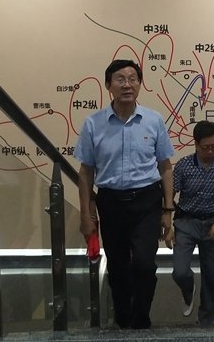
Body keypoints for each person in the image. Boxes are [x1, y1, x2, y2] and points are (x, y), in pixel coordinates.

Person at [75, 59, 175, 329]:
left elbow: (165, 167)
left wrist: (168, 210)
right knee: (117, 266)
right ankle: (122, 318)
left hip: (147, 201)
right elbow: (86, 172)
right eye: (120, 79)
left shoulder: (153, 120)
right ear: (109, 85)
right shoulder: (93, 123)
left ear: (140, 84)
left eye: (133, 79)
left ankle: (141, 318)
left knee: (144, 264)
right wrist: (86, 215)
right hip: (111, 203)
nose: (127, 84)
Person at [172, 120, 214, 327]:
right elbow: (170, 192)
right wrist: (165, 220)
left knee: (210, 274)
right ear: (196, 144)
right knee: (179, 271)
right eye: (206, 147)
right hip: (186, 222)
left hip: (213, 222)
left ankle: (205, 322)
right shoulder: (183, 165)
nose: (210, 151)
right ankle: (187, 289)